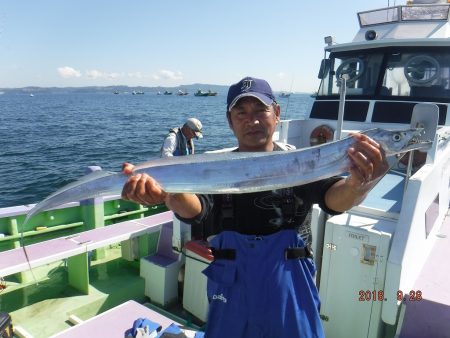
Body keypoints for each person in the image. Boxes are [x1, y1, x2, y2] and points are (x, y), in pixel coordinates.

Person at [122, 76, 389, 338]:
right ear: (230, 121)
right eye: (241, 113)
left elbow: (333, 198)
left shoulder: (299, 162)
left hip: (291, 290)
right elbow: (196, 209)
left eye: (261, 109)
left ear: (277, 113)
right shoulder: (216, 171)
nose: (252, 120)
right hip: (231, 292)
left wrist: (357, 185)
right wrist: (169, 194)